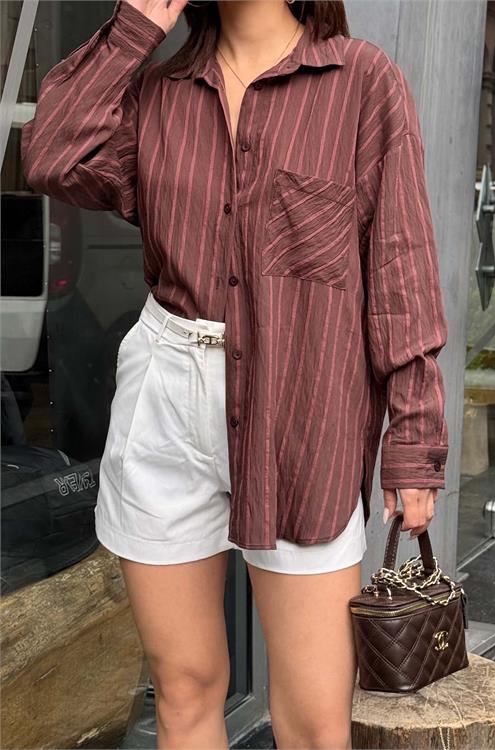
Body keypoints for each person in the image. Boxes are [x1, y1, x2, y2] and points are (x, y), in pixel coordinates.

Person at [21, 0, 449, 748]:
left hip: (302, 405)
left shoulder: (361, 82)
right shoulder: (159, 94)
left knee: (315, 721)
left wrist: (414, 436)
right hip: (166, 389)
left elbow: (399, 265)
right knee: (184, 688)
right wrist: (137, 24)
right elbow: (50, 154)